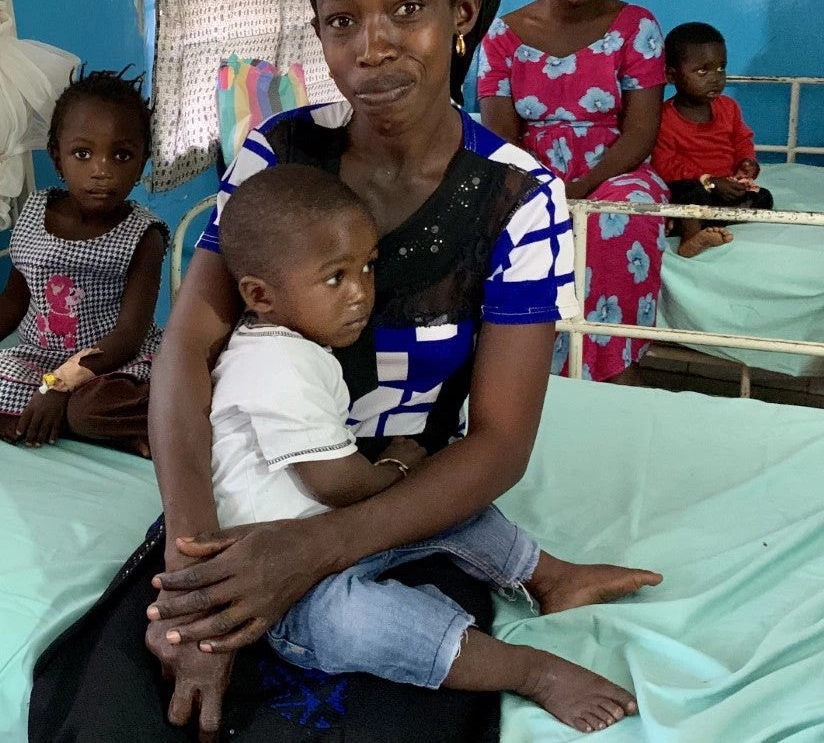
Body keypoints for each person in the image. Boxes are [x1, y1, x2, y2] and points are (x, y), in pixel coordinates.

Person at [30, 0, 660, 742]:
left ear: (463, 14)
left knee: (362, 690)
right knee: (127, 708)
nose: (371, 46)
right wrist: (192, 560)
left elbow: (501, 441)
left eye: (408, 8)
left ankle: (539, 585)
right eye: (340, 20)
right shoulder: (278, 156)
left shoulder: (519, 199)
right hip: (246, 506)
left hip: (404, 499)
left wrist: (319, 548)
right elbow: (185, 349)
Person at [210, 163, 650, 731]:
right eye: (334, 279)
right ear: (259, 295)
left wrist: (411, 482)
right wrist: (398, 464)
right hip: (279, 578)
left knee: (449, 501)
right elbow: (337, 484)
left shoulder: (292, 344)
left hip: (332, 530)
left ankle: (551, 576)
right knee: (357, 624)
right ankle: (529, 671)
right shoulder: (276, 366)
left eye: (367, 268)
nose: (361, 294)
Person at [0, 70, 166, 455]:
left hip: (111, 365)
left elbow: (128, 336)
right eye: (83, 154)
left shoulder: (143, 234)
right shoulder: (35, 212)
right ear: (57, 159)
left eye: (122, 155)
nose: (101, 169)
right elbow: (14, 300)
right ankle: (90, 427)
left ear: (142, 161)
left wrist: (61, 385)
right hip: (40, 359)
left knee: (89, 407)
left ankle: (73, 420)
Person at [477, 0, 669, 385]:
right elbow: (499, 133)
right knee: (495, 221)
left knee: (618, 219)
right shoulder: (502, 36)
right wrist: (543, 187)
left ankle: (612, 376)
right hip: (529, 168)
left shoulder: (636, 26)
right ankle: (526, 377)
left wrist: (580, 188)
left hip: (616, 168)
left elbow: (641, 131)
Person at [653, 22, 774, 257]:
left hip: (726, 186)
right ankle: (690, 240)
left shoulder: (728, 107)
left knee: (764, 198)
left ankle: (702, 222)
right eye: (702, 71)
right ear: (671, 75)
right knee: (691, 195)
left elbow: (742, 139)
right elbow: (665, 165)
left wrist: (746, 163)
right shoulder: (664, 117)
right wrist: (709, 181)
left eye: (721, 68)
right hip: (692, 185)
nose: (715, 79)